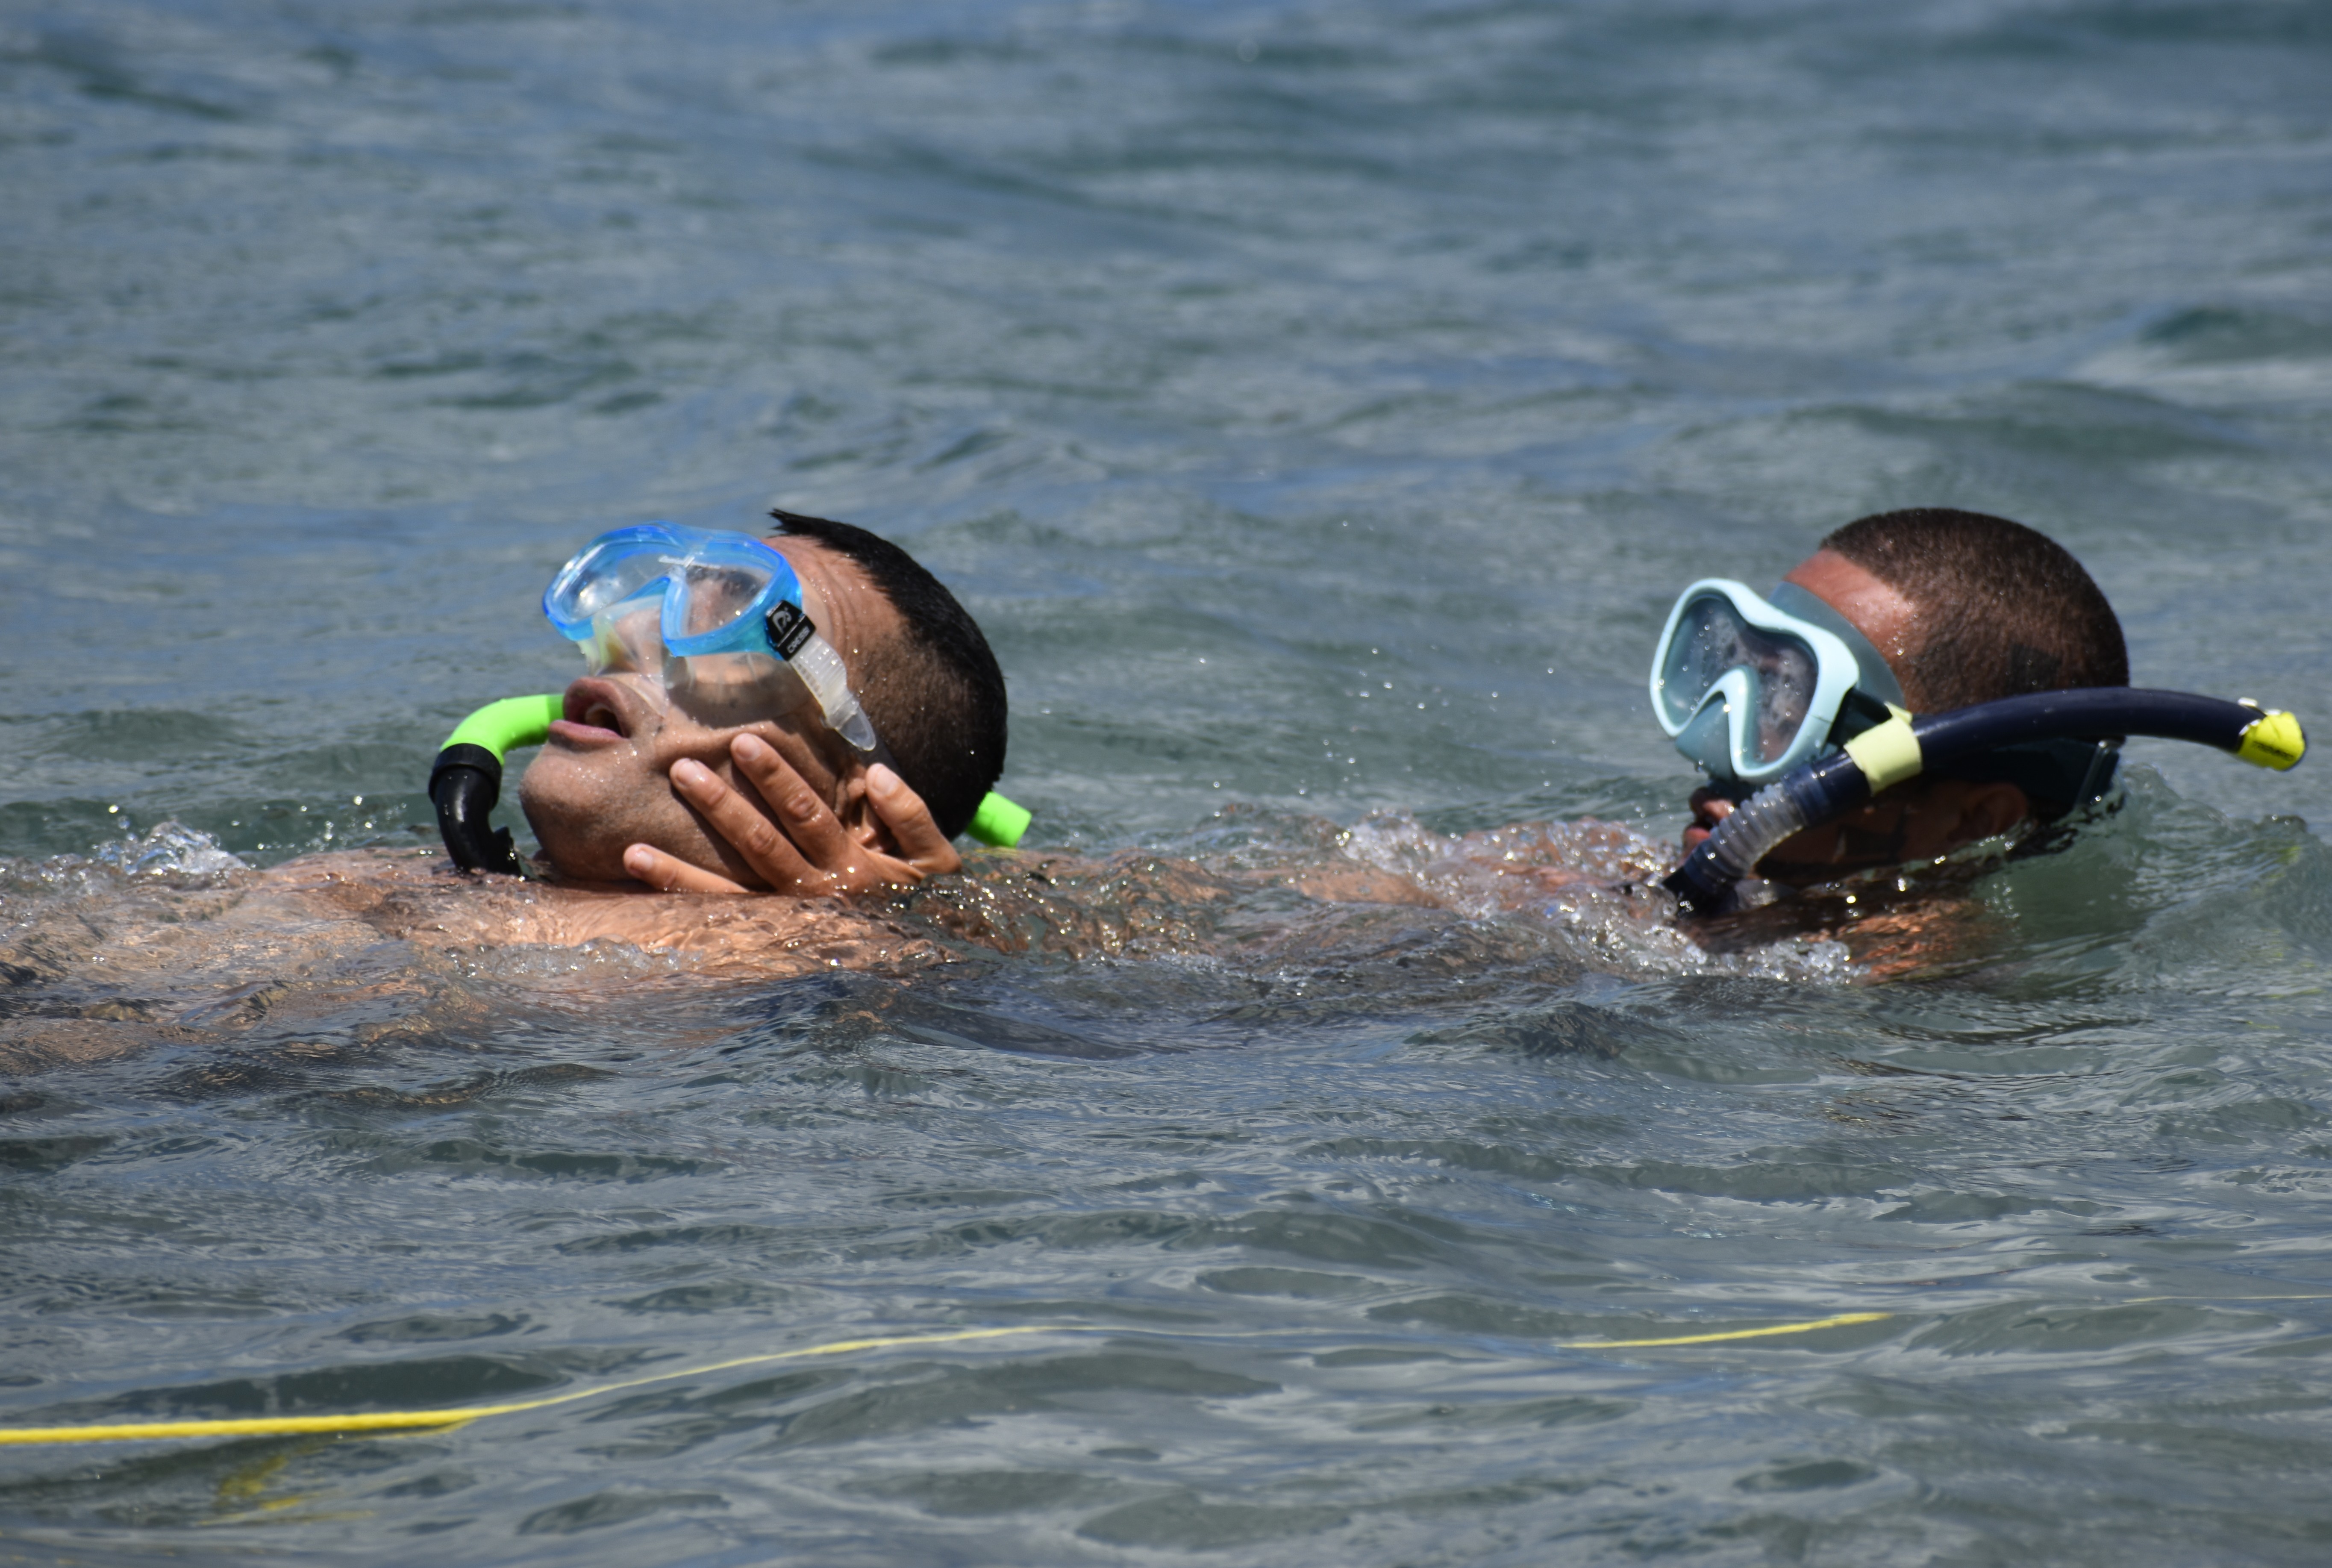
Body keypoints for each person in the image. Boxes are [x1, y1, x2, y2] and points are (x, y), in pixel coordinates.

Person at [515, 509, 1011, 898]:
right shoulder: (462, 874)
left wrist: (859, 930)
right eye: (655, 599)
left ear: (863, 813)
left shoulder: (859, 979)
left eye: (730, 629)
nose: (624, 628)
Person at [1663, 507, 2127, 887]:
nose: (1717, 747)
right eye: (1745, 679)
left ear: (1977, 820)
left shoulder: (1895, 989)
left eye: (1789, 711)